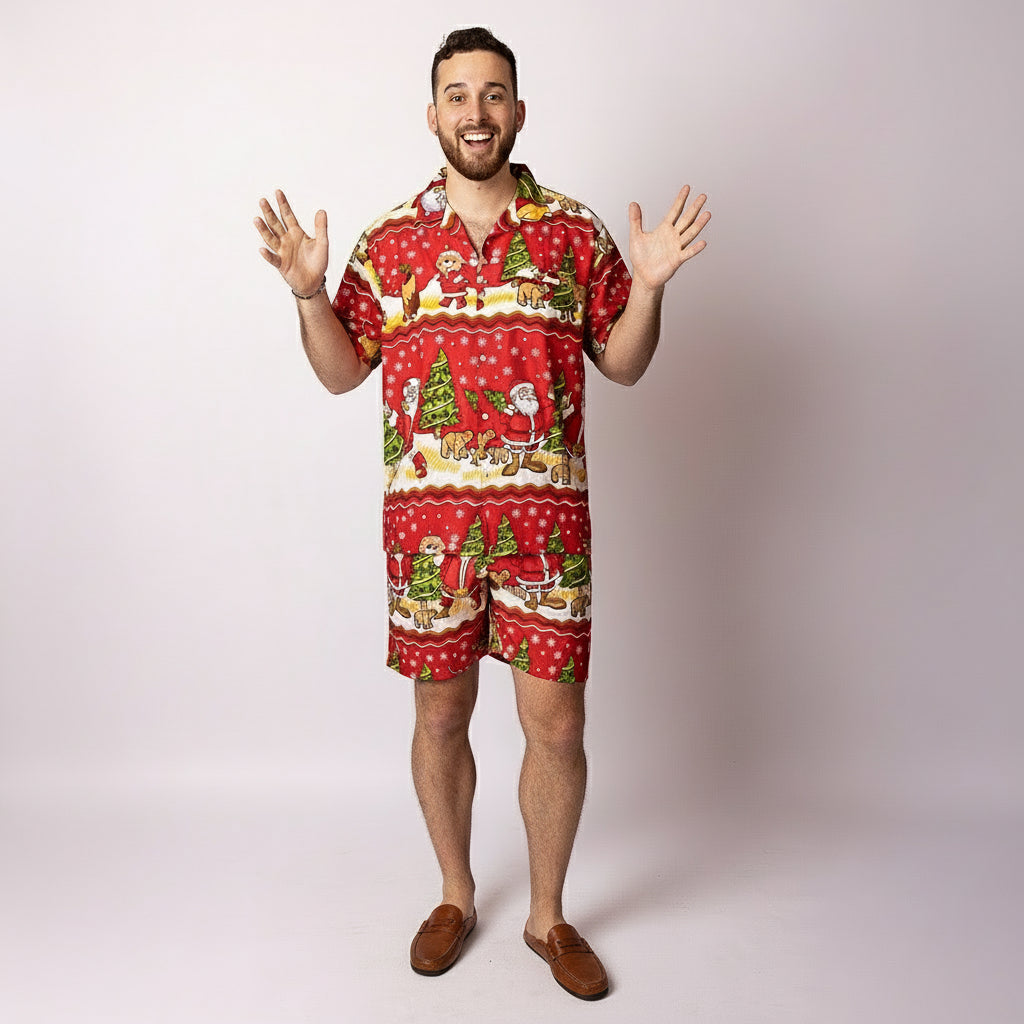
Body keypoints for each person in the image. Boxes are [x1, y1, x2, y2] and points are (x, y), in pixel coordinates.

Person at [254, 26, 710, 1001]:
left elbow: (622, 362)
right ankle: (456, 893)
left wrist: (655, 287)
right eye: (457, 95)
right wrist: (305, 298)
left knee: (556, 723)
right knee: (440, 712)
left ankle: (547, 918)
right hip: (430, 541)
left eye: (493, 94)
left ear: (518, 110)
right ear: (432, 115)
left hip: (547, 536)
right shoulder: (389, 241)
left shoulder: (573, 232)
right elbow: (342, 375)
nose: (475, 112)